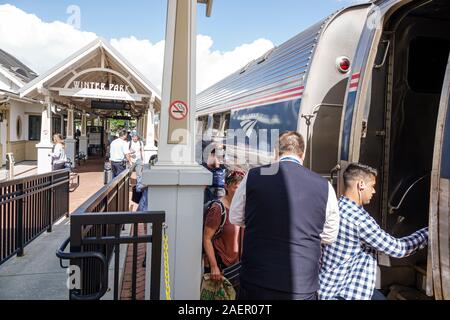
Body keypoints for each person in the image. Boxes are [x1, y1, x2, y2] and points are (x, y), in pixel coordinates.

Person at [230, 131, 340, 300]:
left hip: (257, 280)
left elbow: (235, 217)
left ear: (276, 152)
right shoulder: (324, 186)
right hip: (301, 285)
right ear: (302, 154)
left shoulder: (253, 176)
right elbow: (329, 235)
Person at [319, 163, 429, 300]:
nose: (374, 191)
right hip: (345, 293)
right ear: (361, 185)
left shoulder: (336, 207)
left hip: (328, 287)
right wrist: (429, 232)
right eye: (372, 186)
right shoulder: (358, 219)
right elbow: (398, 249)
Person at [203, 170, 246, 289]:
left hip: (239, 269)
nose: (240, 192)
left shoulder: (243, 208)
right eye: (236, 188)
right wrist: (214, 266)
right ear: (226, 186)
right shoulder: (218, 209)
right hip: (222, 271)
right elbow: (206, 238)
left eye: (242, 188)